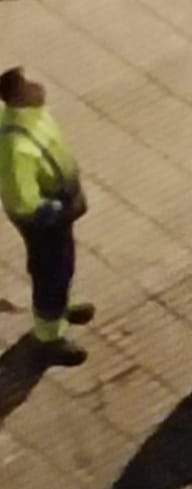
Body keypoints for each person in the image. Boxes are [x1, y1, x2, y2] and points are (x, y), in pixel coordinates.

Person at [0, 66, 93, 367]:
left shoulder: (33, 114)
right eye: (26, 84)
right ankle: (48, 337)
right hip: (44, 219)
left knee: (63, 264)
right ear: (16, 97)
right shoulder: (16, 146)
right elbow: (23, 200)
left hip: (60, 205)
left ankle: (58, 310)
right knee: (51, 271)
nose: (35, 86)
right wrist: (58, 212)